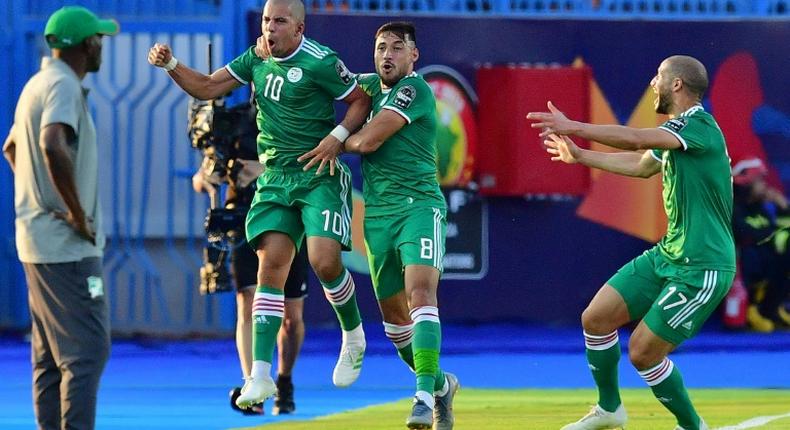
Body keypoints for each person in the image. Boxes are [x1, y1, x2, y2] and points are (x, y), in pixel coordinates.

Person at [148, 0, 370, 408]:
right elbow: (208, 87)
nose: (270, 28)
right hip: (275, 179)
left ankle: (353, 335)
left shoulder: (323, 62)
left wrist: (337, 136)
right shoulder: (256, 58)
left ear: (299, 28)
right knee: (270, 269)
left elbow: (360, 101)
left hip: (316, 173)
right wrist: (171, 64)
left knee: (323, 261)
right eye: (267, 20)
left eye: (280, 21)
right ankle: (261, 377)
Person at [527, 55, 733, 430]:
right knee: (596, 318)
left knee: (642, 352)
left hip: (703, 266)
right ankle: (610, 410)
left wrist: (574, 126)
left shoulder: (699, 126)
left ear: (677, 85)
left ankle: (692, 426)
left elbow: (637, 137)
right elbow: (642, 164)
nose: (652, 82)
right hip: (668, 255)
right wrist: (580, 156)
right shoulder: (678, 132)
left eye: (658, 76)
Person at [300, 22, 458, 430]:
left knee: (420, 292)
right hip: (379, 216)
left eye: (396, 48)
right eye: (381, 48)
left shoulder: (414, 90)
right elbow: (328, 77)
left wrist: (337, 139)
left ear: (413, 56)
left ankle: (422, 397)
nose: (387, 55)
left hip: (419, 208)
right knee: (394, 324)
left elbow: (369, 142)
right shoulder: (369, 85)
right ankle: (440, 386)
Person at [1, 6, 118, 429]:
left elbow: (11, 149)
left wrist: (39, 197)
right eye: (99, 39)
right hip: (67, 248)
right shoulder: (63, 86)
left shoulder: (36, 84)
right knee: (87, 351)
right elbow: (52, 143)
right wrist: (73, 211)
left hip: (37, 241)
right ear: (87, 44)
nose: (103, 45)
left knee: (51, 356)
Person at [192, 150, 309, 415]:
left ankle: (285, 381)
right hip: (244, 219)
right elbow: (200, 178)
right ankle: (253, 385)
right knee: (248, 300)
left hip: (289, 216)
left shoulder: (294, 115)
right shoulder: (232, 125)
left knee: (290, 317)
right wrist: (207, 177)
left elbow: (312, 165)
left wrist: (264, 170)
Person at [731, 157, 790, 332]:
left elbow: (780, 228)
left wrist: (783, 207)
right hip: (744, 264)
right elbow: (744, 234)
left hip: (769, 259)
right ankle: (752, 308)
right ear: (745, 182)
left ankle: (772, 308)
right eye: (759, 181)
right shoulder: (733, 207)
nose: (764, 185)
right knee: (752, 252)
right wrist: (771, 235)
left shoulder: (761, 207)